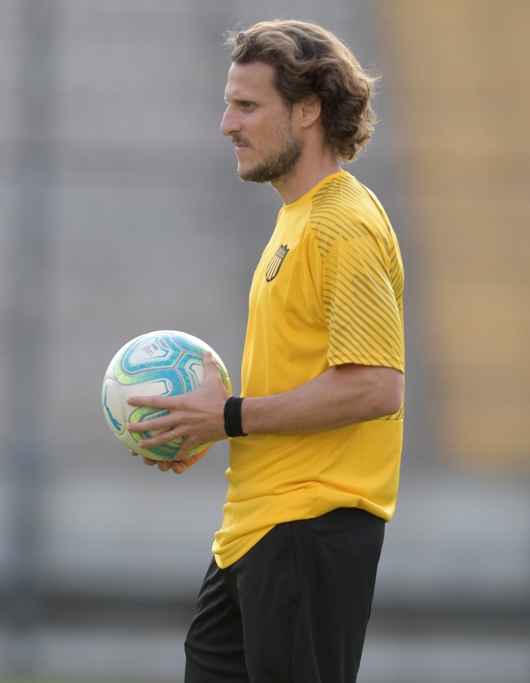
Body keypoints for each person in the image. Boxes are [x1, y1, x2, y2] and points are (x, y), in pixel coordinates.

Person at [127, 20, 405, 683]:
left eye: (247, 106)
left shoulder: (343, 224)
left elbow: (375, 386)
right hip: (255, 530)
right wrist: (201, 423)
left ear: (308, 109)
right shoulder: (298, 217)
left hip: (307, 529)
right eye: (229, 103)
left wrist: (227, 416)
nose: (227, 124)